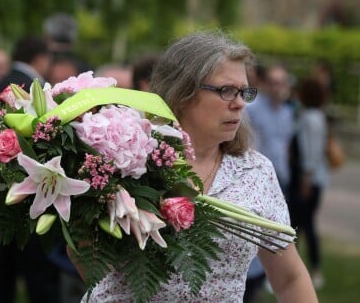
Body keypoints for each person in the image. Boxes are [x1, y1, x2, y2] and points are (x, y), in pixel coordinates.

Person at [74, 30, 316, 302]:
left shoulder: (256, 171)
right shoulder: (130, 156)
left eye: (243, 92)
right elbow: (88, 258)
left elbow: (289, 277)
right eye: (226, 90)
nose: (239, 104)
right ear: (182, 92)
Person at [0, 36, 60, 303]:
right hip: (29, 192)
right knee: (37, 271)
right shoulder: (29, 86)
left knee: (0, 268)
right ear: (40, 58)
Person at [288, 77, 330, 289]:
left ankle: (307, 271)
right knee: (304, 225)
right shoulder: (318, 117)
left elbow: (310, 152)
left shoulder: (309, 119)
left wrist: (306, 178)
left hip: (307, 181)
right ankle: (307, 270)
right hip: (314, 180)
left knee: (301, 225)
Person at [246, 64, 295, 194]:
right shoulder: (252, 108)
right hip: (259, 173)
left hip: (281, 173)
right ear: (266, 84)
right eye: (272, 83)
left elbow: (286, 143)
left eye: (279, 83)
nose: (275, 88)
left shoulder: (287, 112)